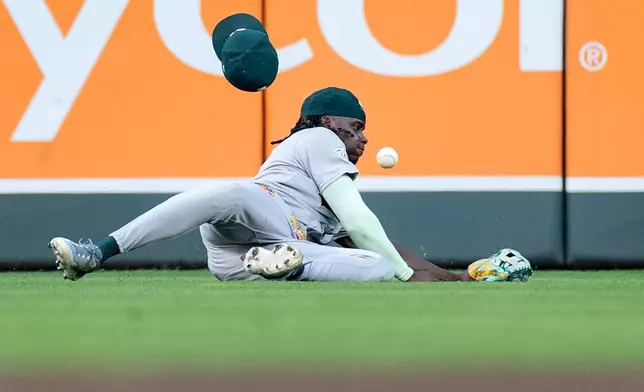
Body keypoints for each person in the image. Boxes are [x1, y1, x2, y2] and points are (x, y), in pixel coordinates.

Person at [48, 86, 533, 283]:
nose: (362, 137)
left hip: (258, 257)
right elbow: (362, 222)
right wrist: (407, 275)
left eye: (363, 130)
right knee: (232, 193)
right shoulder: (321, 138)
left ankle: (281, 268)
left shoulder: (332, 168)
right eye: (355, 126)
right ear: (324, 121)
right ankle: (98, 251)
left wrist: (460, 279)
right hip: (259, 216)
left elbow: (381, 249)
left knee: (374, 267)